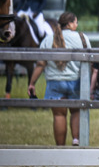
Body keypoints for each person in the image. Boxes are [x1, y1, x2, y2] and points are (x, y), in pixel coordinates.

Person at [27, 11, 89, 146]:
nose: (77, 25)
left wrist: (32, 83)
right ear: (70, 24)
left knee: (59, 115)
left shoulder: (48, 39)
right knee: (76, 111)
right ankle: (76, 140)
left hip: (55, 83)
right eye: (76, 22)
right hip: (76, 82)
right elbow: (90, 61)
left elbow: (40, 64)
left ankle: (60, 148)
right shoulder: (82, 38)